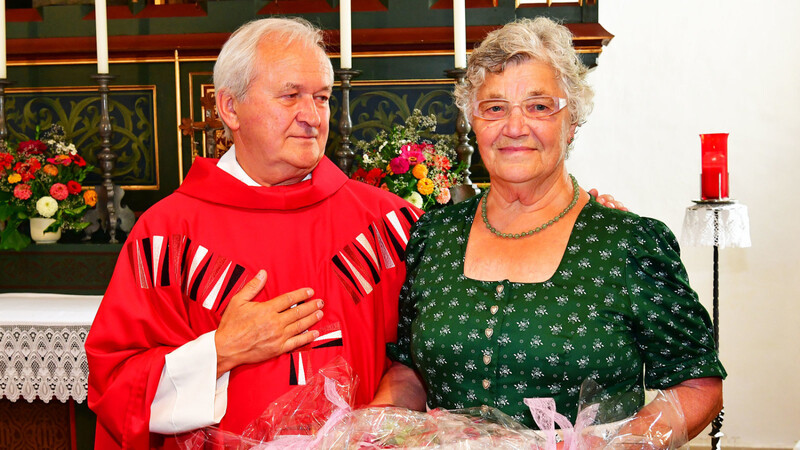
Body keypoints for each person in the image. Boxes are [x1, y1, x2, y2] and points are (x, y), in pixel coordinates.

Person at [376, 17, 726, 444]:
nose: (515, 127)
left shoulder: (629, 244)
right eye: (495, 107)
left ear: (572, 121)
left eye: (539, 106)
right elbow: (408, 370)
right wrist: (375, 427)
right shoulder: (435, 236)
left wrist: (622, 444)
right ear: (474, 120)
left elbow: (697, 385)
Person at [85, 17, 423, 449]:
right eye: (290, 96)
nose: (311, 116)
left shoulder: (390, 224)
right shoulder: (167, 235)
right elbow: (116, 385)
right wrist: (222, 350)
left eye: (321, 97)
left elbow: (431, 357)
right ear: (230, 108)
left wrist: (376, 426)